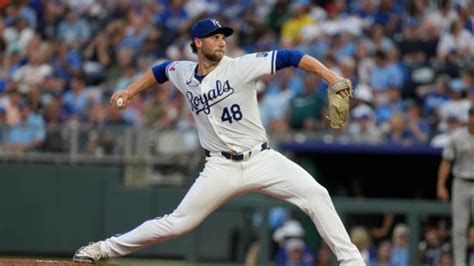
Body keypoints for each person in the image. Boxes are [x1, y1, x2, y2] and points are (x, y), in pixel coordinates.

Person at [72, 18, 364, 265]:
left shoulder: (240, 67)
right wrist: (131, 90)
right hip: (220, 166)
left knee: (316, 194)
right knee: (178, 223)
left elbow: (288, 56)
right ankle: (104, 249)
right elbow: (161, 71)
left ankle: (353, 262)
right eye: (214, 37)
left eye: (223, 37)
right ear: (198, 43)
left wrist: (330, 76)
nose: (222, 42)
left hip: (262, 159)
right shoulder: (184, 72)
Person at [437, 105, 474, 266]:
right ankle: (460, 264)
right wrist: (441, 185)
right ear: (469, 118)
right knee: (459, 228)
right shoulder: (458, 136)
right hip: (461, 182)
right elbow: (446, 162)